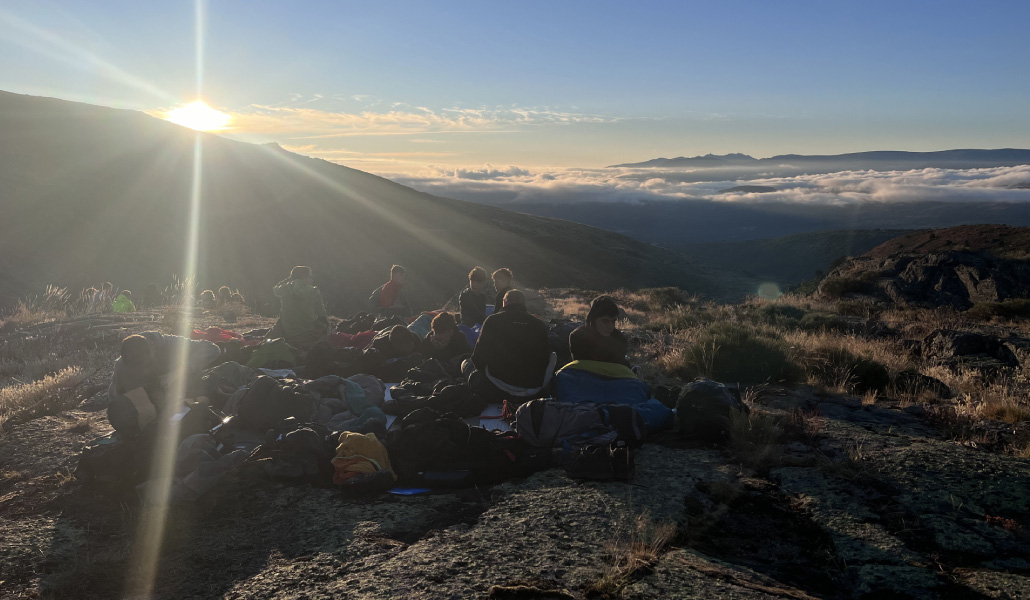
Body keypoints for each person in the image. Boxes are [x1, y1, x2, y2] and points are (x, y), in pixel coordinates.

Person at [107, 332, 221, 436]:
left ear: (153, 350)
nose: (144, 371)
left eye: (145, 365)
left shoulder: (167, 343)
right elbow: (116, 402)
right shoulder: (122, 366)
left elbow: (212, 349)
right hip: (158, 407)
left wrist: (176, 374)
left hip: (187, 389)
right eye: (138, 369)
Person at [465, 290, 555, 403]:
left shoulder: (492, 321)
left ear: (504, 302)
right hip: (533, 389)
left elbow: (477, 359)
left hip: (497, 388)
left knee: (466, 364)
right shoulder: (538, 324)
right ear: (524, 304)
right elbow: (545, 359)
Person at [269, 266, 329, 349]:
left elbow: (275, 288)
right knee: (325, 327)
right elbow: (322, 314)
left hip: (287, 332)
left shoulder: (284, 289)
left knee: (280, 321)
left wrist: (290, 279)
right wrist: (327, 327)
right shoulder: (314, 291)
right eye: (310, 277)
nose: (312, 280)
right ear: (304, 277)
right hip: (308, 332)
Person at [569, 296, 630, 367]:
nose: (610, 326)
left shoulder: (619, 339)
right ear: (593, 320)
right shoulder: (578, 337)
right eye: (605, 321)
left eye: (613, 321)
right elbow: (581, 368)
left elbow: (617, 368)